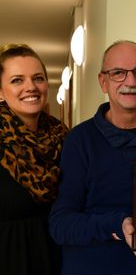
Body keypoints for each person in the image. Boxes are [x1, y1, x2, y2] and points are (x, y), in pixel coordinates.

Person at [49, 41, 136, 275]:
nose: (130, 82)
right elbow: (60, 224)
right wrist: (117, 225)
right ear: (103, 81)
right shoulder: (80, 139)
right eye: (118, 73)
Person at [0, 44, 68, 275]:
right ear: (0, 91)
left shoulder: (65, 138)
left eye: (38, 78)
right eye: (17, 80)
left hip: (58, 262)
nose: (31, 87)